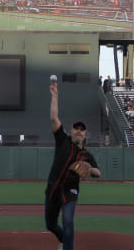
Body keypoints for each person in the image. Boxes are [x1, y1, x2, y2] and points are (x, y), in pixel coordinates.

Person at [46, 80, 100, 250]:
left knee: (68, 221)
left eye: (81, 129)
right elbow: (54, 118)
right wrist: (54, 96)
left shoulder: (86, 155)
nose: (78, 131)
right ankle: (63, 241)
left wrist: (89, 169)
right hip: (53, 188)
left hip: (70, 191)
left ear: (85, 134)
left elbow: (98, 172)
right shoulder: (63, 141)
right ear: (71, 130)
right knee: (50, 225)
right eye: (76, 128)